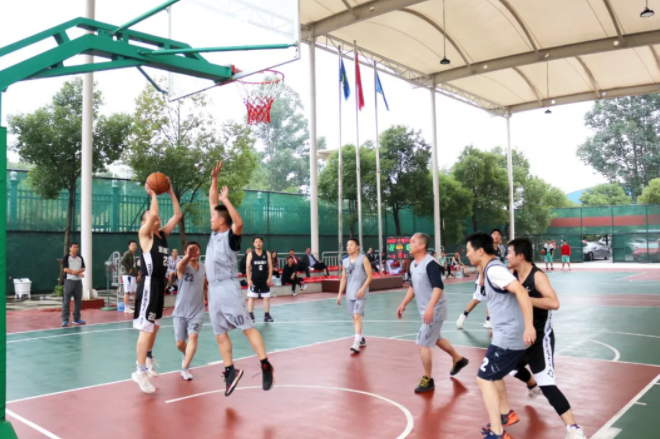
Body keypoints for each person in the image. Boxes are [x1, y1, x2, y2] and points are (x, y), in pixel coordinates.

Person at [507, 238, 587, 439]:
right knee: (510, 367)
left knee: (547, 384)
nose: (506, 256)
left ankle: (574, 429)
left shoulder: (537, 276)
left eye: (509, 253)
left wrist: (525, 298)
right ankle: (532, 386)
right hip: (519, 337)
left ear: (520, 256)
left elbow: (554, 303)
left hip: (540, 338)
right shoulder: (512, 275)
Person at [206, 161, 274, 396]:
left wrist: (226, 201)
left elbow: (239, 223)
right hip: (213, 290)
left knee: (246, 327)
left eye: (214, 217)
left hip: (227, 287)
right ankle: (230, 371)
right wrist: (214, 180)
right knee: (219, 333)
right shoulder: (214, 233)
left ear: (221, 220)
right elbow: (212, 201)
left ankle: (265, 365)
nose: (210, 218)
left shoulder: (230, 237)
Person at [464, 232, 536, 439]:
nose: (466, 254)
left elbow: (521, 292)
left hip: (509, 336)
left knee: (484, 379)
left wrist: (529, 326)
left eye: (468, 250)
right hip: (504, 334)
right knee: (492, 376)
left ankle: (497, 433)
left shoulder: (495, 270)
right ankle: (505, 415)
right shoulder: (490, 268)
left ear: (480, 251)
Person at [396, 233, 470, 393]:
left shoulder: (431, 264)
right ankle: (458, 359)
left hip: (435, 309)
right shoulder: (413, 264)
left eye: (413, 242)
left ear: (422, 246)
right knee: (435, 338)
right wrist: (403, 303)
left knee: (422, 343)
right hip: (428, 309)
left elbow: (438, 287)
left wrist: (430, 307)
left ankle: (428, 379)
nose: (409, 244)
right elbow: (413, 286)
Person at [132, 176, 182, 393]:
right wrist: (153, 193)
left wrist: (170, 193)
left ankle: (148, 358)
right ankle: (139, 372)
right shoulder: (145, 235)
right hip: (148, 286)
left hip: (160, 286)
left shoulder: (162, 235)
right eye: (153, 217)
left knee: (155, 325)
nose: (157, 218)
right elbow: (153, 214)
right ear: (145, 222)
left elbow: (178, 215)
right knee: (145, 329)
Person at [457, 229, 504, 330]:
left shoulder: (499, 250)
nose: (496, 236)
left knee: (492, 298)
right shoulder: (486, 248)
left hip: (492, 278)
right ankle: (463, 316)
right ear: (491, 236)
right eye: (494, 234)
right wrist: (482, 278)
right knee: (476, 299)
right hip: (484, 278)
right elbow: (479, 263)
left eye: (498, 234)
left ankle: (489, 320)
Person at [173, 241, 206, 381]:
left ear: (199, 252)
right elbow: (180, 265)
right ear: (185, 252)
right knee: (180, 344)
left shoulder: (204, 268)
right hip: (180, 311)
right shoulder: (182, 266)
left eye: (196, 250)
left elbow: (205, 284)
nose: (194, 252)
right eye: (191, 250)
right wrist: (188, 256)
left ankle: (185, 368)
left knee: (193, 336)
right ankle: (185, 354)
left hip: (197, 311)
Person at [336, 238, 373, 354]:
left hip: (361, 294)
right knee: (354, 317)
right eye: (347, 245)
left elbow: (370, 276)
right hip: (350, 294)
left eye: (351, 245)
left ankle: (356, 342)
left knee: (357, 316)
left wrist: (362, 289)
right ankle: (361, 338)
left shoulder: (363, 259)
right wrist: (339, 294)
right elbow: (343, 278)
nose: (349, 247)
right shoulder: (345, 261)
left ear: (358, 247)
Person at [247, 237, 274, 323]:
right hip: (254, 279)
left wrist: (269, 278)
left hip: (264, 279)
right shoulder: (251, 254)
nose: (258, 243)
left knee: (266, 297)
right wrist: (249, 279)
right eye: (256, 242)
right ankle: (250, 315)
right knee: (252, 297)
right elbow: (247, 267)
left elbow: (270, 266)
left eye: (260, 242)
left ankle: (267, 315)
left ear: (262, 243)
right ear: (253, 244)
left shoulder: (267, 253)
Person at [61, 242, 86, 327]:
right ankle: (65, 320)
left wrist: (78, 271)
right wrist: (75, 272)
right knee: (66, 301)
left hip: (78, 282)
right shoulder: (66, 257)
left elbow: (83, 268)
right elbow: (65, 269)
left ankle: (76, 319)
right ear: (70, 248)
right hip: (69, 281)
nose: (76, 249)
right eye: (74, 247)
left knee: (78, 301)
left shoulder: (80, 257)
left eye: (77, 247)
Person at [121, 241, 139, 314]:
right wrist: (129, 269)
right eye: (132, 245)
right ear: (129, 246)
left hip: (132, 276)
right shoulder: (127, 253)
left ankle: (137, 306)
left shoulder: (133, 255)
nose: (134, 246)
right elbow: (122, 261)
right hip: (127, 275)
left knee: (134, 292)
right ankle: (126, 308)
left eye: (135, 245)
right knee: (127, 292)